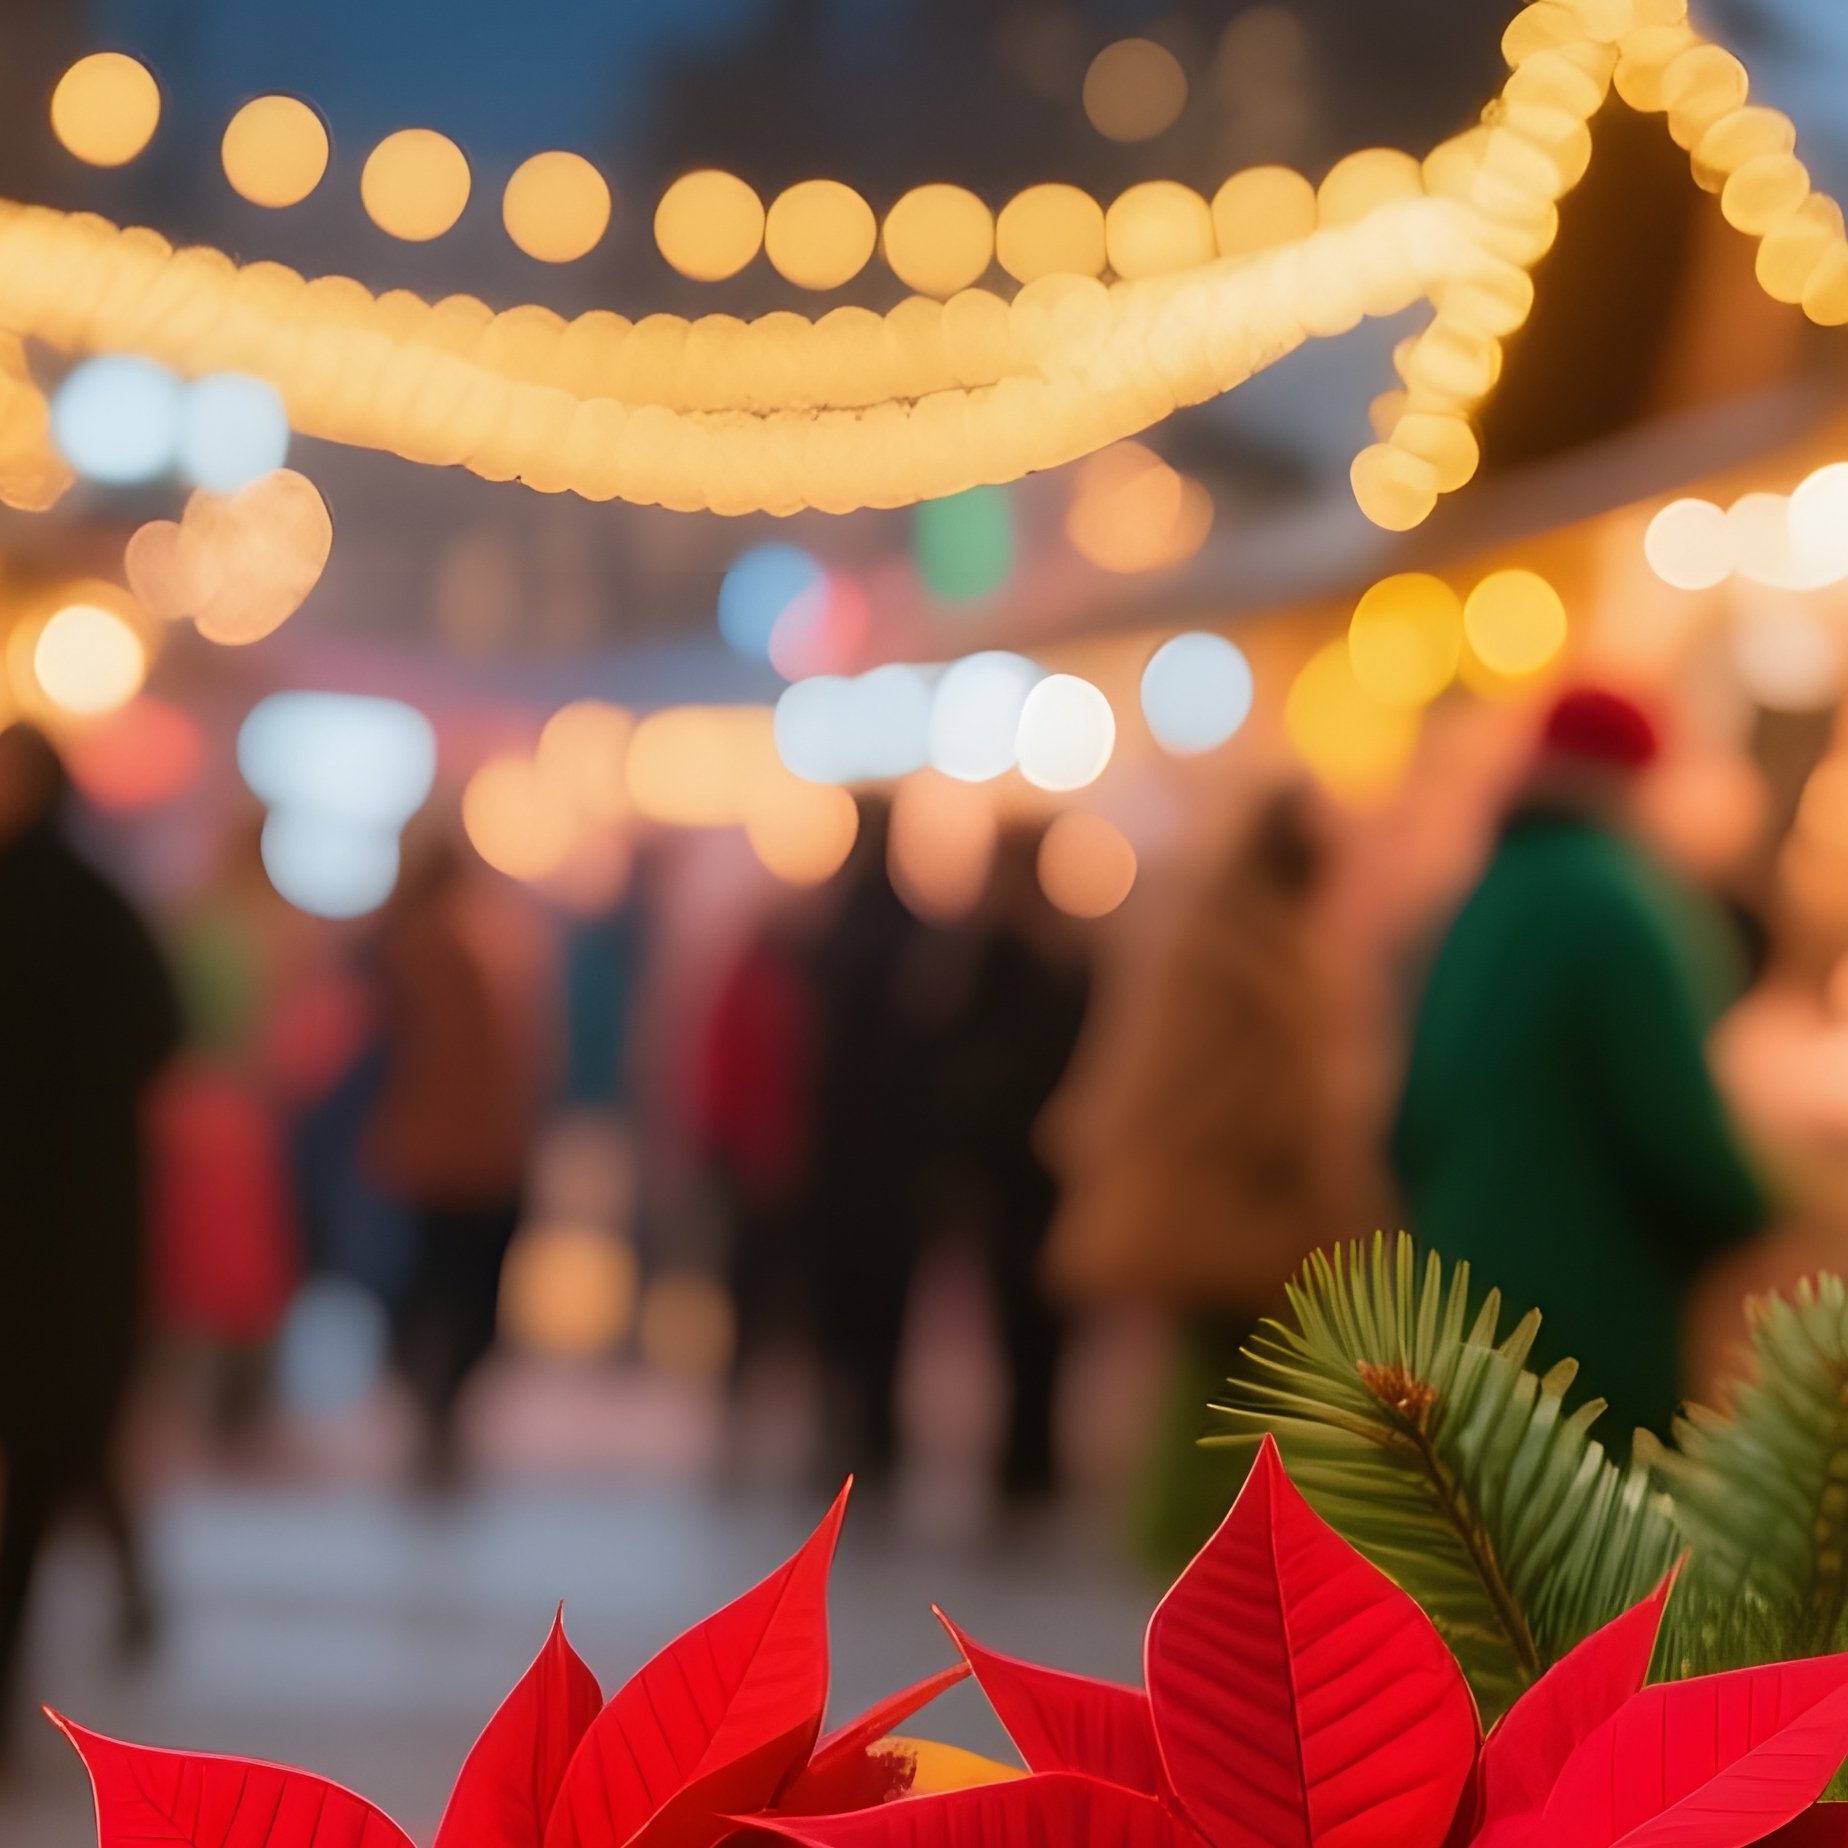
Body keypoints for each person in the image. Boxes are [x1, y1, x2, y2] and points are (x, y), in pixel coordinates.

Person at [1392, 686, 1770, 1452]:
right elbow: (1676, 1130)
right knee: (1606, 1555)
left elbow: (1408, 1121)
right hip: (1591, 1305)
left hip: (1462, 1293)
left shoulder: (1478, 899)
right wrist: (1761, 1209)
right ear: (1642, 780)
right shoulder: (1622, 904)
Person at [1043, 784, 1384, 1565]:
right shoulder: (1245, 953)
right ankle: (1201, 1547)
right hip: (1238, 1214)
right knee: (1227, 1387)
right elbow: (1246, 1088)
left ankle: (1208, 1546)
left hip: (1234, 1211)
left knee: (1222, 1382)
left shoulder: (1224, 937)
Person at [0, 723, 180, 1743]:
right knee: (58, 1441)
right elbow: (161, 1035)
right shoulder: (105, 912)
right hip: (80, 1233)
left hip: (53, 1234)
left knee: (49, 1452)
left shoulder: (69, 908)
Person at [365, 824, 551, 1483]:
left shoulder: (404, 944)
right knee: (461, 1297)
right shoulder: (452, 945)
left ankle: (434, 1406)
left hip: (426, 1152)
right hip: (465, 1156)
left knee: (427, 1292)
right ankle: (437, 1407)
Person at [934, 824, 1091, 1504]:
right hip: (1056, 1160)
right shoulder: (1069, 951)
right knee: (1044, 1320)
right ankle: (1035, 1458)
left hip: (1013, 1164)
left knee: (1018, 1316)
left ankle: (1022, 1461)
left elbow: (958, 1059)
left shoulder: (990, 951)